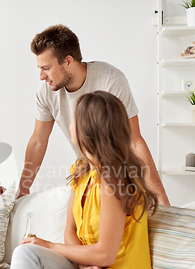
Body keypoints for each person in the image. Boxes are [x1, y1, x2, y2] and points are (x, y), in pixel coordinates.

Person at [0, 91, 159, 269]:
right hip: (92, 268)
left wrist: (49, 246)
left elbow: (105, 254)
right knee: (26, 253)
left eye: (74, 119)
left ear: (88, 129)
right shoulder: (83, 170)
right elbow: (70, 231)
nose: (70, 124)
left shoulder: (114, 180)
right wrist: (84, 264)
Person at [18, 24, 170, 205]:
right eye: (39, 68)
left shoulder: (110, 80)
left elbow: (134, 141)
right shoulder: (46, 92)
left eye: (46, 68)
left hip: (119, 176)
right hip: (86, 173)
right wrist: (23, 188)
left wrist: (161, 199)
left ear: (68, 61)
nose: (41, 76)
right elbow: (38, 141)